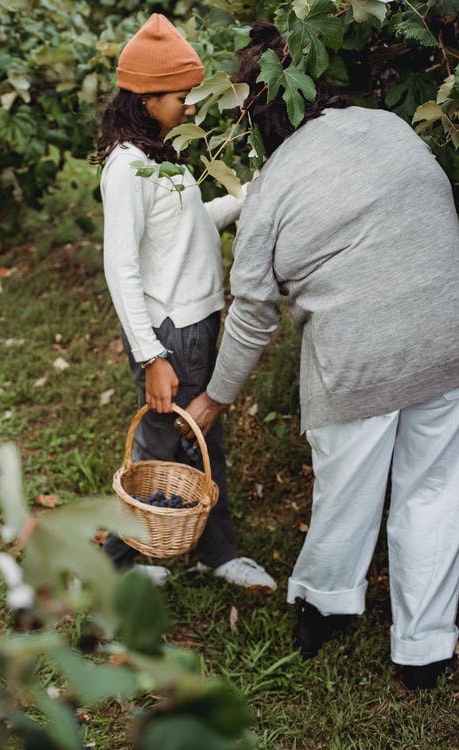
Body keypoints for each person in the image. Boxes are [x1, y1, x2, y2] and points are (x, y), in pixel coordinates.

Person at [184, 21, 459, 689]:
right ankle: (424, 650)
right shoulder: (390, 126)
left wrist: (215, 398)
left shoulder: (275, 183)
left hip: (358, 357)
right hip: (447, 335)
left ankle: (324, 608)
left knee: (348, 491)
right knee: (434, 492)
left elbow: (251, 314)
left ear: (256, 116)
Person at [94, 13, 276, 591]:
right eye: (181, 96)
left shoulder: (163, 157)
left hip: (196, 321)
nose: (193, 106)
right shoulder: (128, 168)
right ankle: (117, 569)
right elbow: (120, 267)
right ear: (146, 98)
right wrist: (152, 356)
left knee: (200, 439)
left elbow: (189, 228)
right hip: (171, 331)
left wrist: (245, 200)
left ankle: (207, 548)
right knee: (164, 444)